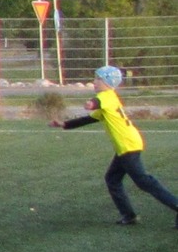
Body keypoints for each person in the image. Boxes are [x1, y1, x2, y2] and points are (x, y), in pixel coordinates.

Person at [49, 65, 178, 227]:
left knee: (144, 182)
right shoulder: (109, 99)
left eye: (98, 79)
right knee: (113, 179)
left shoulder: (107, 96)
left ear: (107, 82)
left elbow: (95, 103)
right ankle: (128, 215)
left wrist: (90, 103)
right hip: (125, 145)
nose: (95, 82)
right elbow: (89, 119)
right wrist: (64, 124)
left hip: (127, 145)